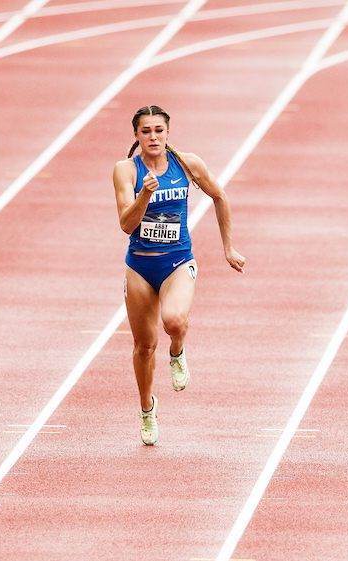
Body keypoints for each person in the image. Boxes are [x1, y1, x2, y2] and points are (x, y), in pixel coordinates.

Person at [112, 105, 245, 445]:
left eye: (159, 130)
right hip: (140, 265)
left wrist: (228, 248)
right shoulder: (126, 170)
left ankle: (178, 350)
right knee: (143, 346)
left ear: (168, 132)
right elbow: (126, 225)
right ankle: (147, 410)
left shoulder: (187, 164)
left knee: (173, 321)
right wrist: (145, 194)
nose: (153, 137)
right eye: (146, 131)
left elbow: (219, 196)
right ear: (136, 136)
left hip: (177, 262)